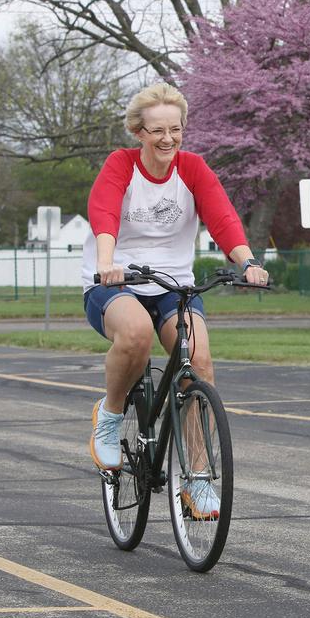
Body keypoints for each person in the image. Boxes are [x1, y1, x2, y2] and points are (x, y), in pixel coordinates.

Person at [83, 82, 268, 520]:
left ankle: (198, 479)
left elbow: (222, 216)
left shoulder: (193, 168)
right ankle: (109, 417)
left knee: (198, 361)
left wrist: (248, 262)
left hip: (172, 282)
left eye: (176, 129)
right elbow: (104, 212)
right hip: (117, 279)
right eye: (157, 130)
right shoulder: (120, 166)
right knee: (135, 333)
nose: (168, 139)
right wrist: (107, 262)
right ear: (139, 132)